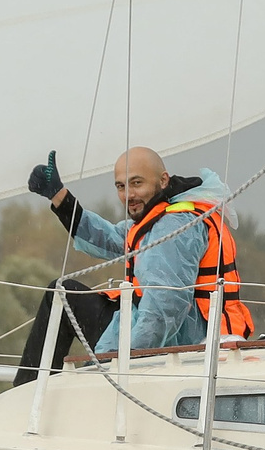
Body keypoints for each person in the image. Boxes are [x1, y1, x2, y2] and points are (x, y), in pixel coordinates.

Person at [13, 147, 252, 383]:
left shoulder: (173, 226)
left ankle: (27, 391)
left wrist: (116, 362)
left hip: (179, 339)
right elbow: (107, 237)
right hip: (146, 324)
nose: (128, 195)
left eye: (136, 183)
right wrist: (59, 197)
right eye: (121, 186)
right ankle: (31, 389)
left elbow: (164, 308)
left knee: (61, 294)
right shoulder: (163, 213)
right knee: (62, 293)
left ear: (163, 180)